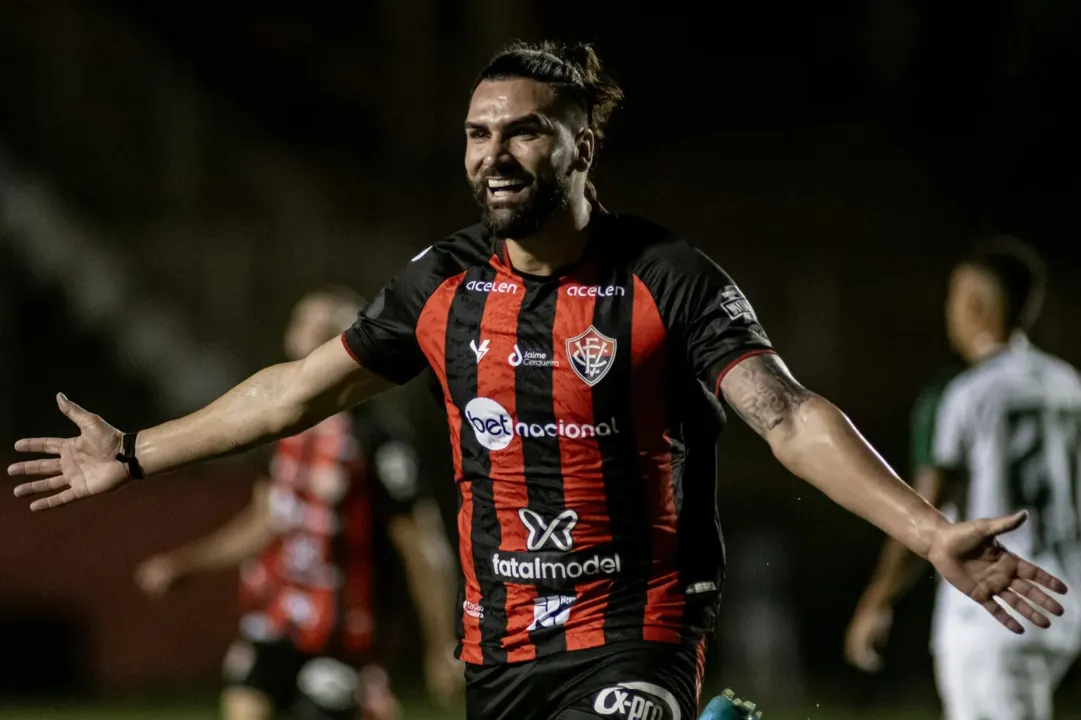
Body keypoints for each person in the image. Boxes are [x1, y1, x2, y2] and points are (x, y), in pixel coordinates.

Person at [9, 42, 1068, 720]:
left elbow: (786, 418)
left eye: (523, 130)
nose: (495, 154)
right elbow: (288, 395)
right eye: (478, 134)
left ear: (583, 143)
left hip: (637, 625)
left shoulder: (667, 278)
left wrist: (928, 533)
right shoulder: (436, 288)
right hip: (502, 648)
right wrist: (137, 452)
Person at [134, 287, 463, 720]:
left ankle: (371, 696)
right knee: (244, 705)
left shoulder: (379, 442)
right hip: (276, 616)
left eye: (325, 324)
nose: (309, 331)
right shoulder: (280, 431)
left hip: (344, 633)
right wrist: (186, 564)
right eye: (304, 320)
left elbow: (422, 546)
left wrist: (443, 643)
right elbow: (268, 519)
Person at [845, 240, 1081, 720]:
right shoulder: (1067, 385)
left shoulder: (962, 394)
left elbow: (924, 510)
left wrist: (877, 599)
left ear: (973, 301)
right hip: (1063, 602)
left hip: (992, 609)